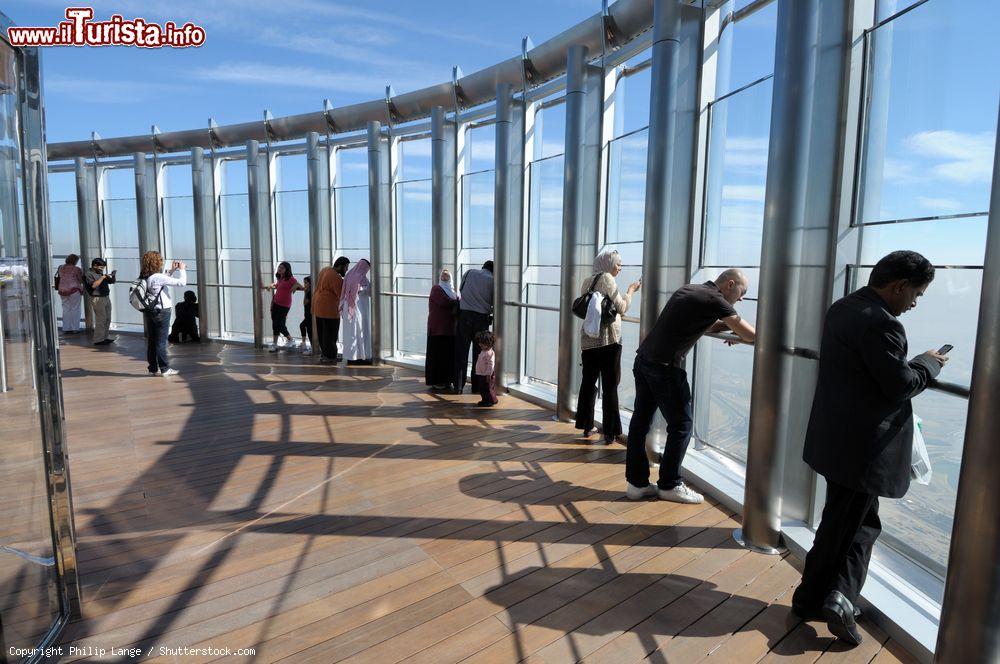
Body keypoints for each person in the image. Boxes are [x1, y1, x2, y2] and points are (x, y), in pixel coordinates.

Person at [791, 251, 947, 647]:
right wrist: (928, 364)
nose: (914, 302)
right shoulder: (882, 324)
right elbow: (899, 385)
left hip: (835, 438)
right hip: (862, 449)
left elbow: (870, 370)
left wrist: (908, 363)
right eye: (917, 294)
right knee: (852, 526)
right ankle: (835, 598)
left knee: (850, 522)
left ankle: (817, 598)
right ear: (898, 286)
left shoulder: (844, 307)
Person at [624, 268, 756, 504]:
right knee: (682, 425)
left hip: (643, 360)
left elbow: (705, 326)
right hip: (664, 368)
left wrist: (730, 328)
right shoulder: (716, 300)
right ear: (730, 284)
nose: (742, 298)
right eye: (742, 292)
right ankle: (669, 485)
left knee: (640, 422)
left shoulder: (691, 290)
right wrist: (740, 331)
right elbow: (751, 335)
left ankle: (637, 484)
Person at [575, 249, 641, 444]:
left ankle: (587, 426)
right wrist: (630, 291)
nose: (619, 268)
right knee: (610, 386)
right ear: (608, 264)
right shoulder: (608, 279)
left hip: (588, 341)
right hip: (608, 341)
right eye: (617, 264)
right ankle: (610, 432)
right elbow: (621, 308)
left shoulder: (588, 281)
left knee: (588, 383)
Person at [138, 251, 186, 376]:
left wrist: (171, 271)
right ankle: (164, 369)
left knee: (152, 340)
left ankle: (153, 368)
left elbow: (160, 281)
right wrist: (182, 270)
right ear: (157, 262)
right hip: (162, 311)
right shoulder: (158, 277)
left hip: (150, 310)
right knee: (161, 341)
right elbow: (181, 283)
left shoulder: (144, 275)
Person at [454, 261, 494, 394]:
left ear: (483, 267)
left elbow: (461, 289)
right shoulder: (493, 280)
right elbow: (494, 301)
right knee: (479, 354)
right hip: (481, 319)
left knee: (461, 353)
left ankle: (458, 386)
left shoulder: (469, 272)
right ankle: (477, 387)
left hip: (464, 316)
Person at [425, 268, 459, 390]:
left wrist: (457, 301)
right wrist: (458, 301)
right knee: (438, 355)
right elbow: (445, 302)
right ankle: (437, 380)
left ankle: (446, 380)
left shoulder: (453, 291)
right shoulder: (437, 289)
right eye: (443, 276)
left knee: (447, 355)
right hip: (438, 329)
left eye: (447, 276)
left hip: (449, 329)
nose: (445, 277)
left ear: (450, 278)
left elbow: (452, 302)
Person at [313, 257, 349, 363]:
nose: (346, 270)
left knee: (322, 333)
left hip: (318, 306)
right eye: (346, 267)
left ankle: (325, 355)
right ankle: (330, 356)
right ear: (341, 266)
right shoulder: (336, 278)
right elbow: (341, 294)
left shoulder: (325, 270)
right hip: (329, 309)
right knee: (331, 334)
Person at [340, 259, 373, 365]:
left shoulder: (349, 275)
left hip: (348, 308)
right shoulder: (361, 278)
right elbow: (368, 291)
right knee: (359, 332)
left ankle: (350, 357)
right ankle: (360, 357)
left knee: (350, 333)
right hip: (358, 309)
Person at [264, 261, 302, 352]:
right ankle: (275, 344)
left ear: (287, 270)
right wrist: (271, 285)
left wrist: (296, 285)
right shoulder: (281, 278)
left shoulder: (291, 279)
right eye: (279, 267)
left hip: (284, 305)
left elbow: (300, 286)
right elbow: (277, 285)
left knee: (280, 324)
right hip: (275, 303)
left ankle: (291, 340)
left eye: (282, 268)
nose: (280, 269)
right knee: (275, 324)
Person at [84, 257, 117, 345]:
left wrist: (113, 276)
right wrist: (102, 277)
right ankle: (98, 339)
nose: (102, 269)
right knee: (101, 319)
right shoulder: (88, 274)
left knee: (107, 318)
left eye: (103, 267)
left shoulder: (100, 273)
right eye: (101, 267)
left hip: (106, 297)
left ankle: (104, 337)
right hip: (97, 298)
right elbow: (94, 285)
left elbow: (112, 282)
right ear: (95, 266)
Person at [54, 254, 84, 334]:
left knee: (66, 309)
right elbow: (81, 280)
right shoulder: (76, 269)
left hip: (62, 290)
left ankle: (66, 328)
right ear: (75, 261)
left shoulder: (61, 267)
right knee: (75, 308)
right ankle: (75, 328)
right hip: (74, 289)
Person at [474, 330, 498, 407]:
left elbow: (491, 365)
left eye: (482, 343)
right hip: (481, 373)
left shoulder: (490, 353)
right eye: (479, 342)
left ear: (488, 343)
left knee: (487, 389)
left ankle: (490, 400)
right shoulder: (483, 351)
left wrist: (488, 374)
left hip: (487, 375)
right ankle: (484, 400)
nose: (480, 344)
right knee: (482, 388)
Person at [298, 275, 313, 354]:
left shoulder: (309, 292)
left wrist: (305, 293)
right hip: (309, 314)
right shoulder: (311, 291)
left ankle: (312, 348)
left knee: (310, 331)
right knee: (302, 325)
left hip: (309, 315)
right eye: (304, 283)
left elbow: (305, 303)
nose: (304, 285)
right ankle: (305, 344)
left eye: (306, 283)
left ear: (310, 283)